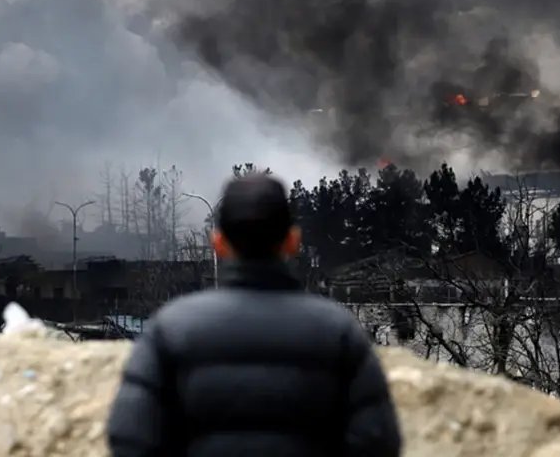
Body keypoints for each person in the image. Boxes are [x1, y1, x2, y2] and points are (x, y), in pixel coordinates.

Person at [107, 173, 403, 457]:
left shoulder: (171, 328)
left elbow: (131, 440)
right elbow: (377, 441)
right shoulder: (338, 330)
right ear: (292, 240)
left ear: (219, 243)